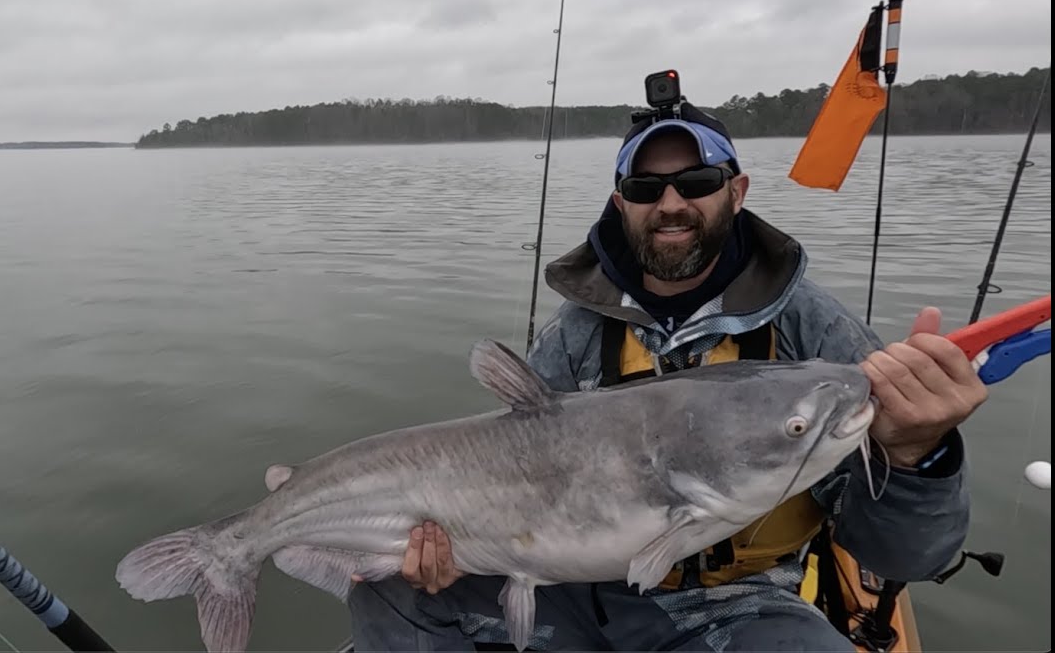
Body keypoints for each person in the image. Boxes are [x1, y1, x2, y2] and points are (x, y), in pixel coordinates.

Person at [346, 102, 986, 651]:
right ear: (622, 203)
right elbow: (509, 470)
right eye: (648, 190)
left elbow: (904, 559)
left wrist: (918, 457)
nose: (672, 204)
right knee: (391, 592)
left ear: (737, 190)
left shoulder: (815, 332)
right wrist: (449, 551)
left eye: (697, 180)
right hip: (574, 591)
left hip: (740, 606)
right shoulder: (575, 333)